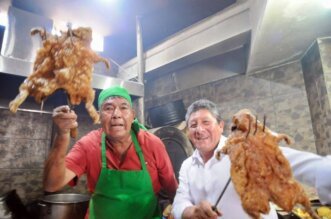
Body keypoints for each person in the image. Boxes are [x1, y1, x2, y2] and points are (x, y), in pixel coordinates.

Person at [171, 99, 331, 219]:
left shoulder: (244, 148)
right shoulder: (187, 166)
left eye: (206, 122)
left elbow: (301, 165)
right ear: (188, 132)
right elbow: (179, 203)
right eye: (193, 125)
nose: (199, 129)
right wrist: (192, 211)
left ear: (220, 126)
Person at [43, 86, 178, 219]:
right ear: (99, 116)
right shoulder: (89, 145)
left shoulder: (152, 144)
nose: (116, 114)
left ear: (132, 115)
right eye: (108, 108)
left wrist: (176, 211)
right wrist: (62, 134)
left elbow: (172, 189)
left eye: (123, 108)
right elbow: (51, 184)